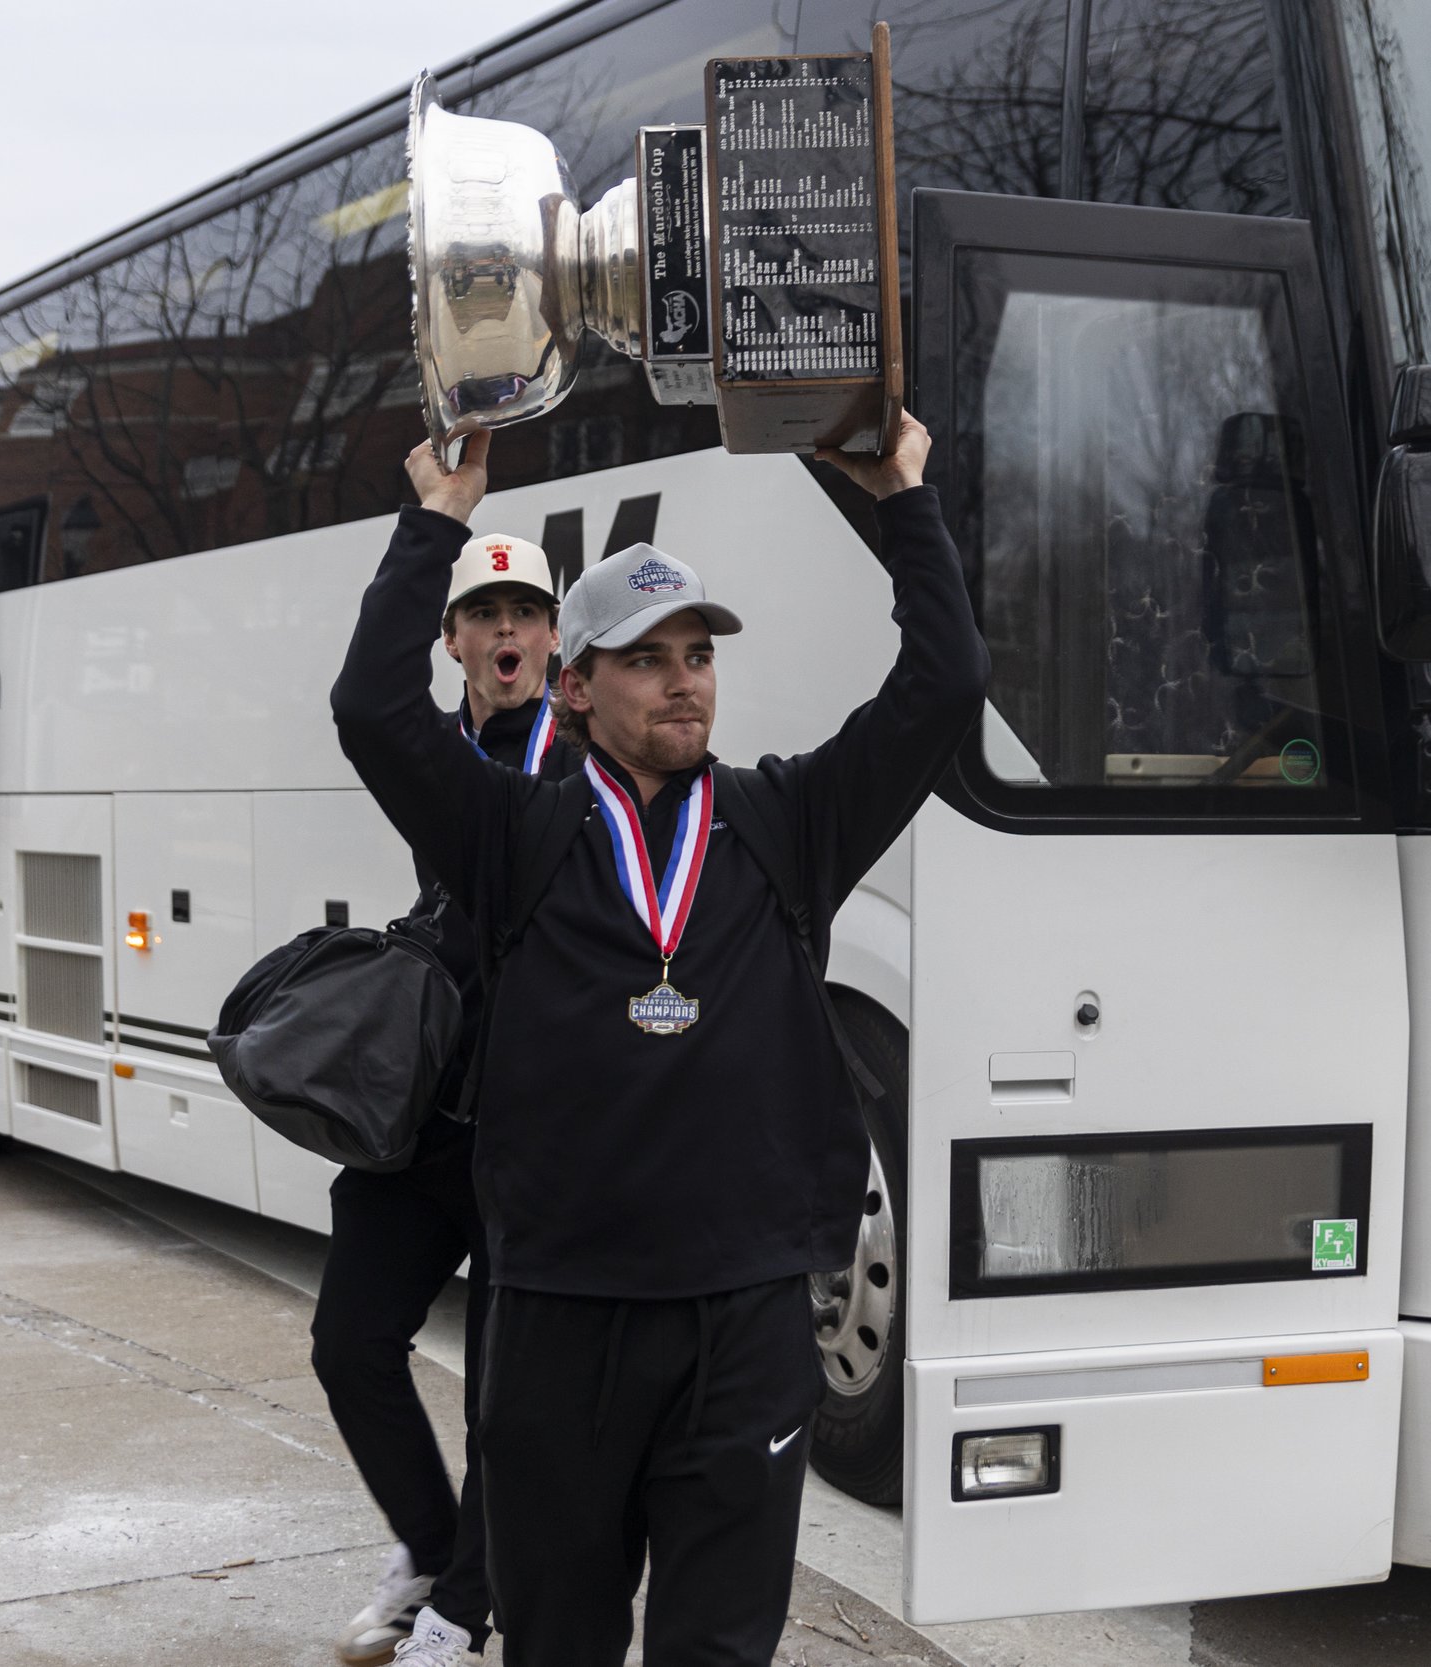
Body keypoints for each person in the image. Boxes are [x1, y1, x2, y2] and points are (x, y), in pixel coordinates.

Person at [332, 416, 986, 1667]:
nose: (683, 678)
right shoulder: (511, 834)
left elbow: (942, 686)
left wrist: (903, 496)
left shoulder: (786, 820)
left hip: (744, 1325)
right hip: (561, 1323)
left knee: (720, 1651)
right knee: (561, 1644)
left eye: (696, 653)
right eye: (643, 658)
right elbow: (370, 707)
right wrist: (438, 519)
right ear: (575, 686)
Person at [314, 529, 575, 1667]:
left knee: (501, 1396)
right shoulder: (433, 752)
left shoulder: (581, 760)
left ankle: (464, 1608)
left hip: (533, 1129)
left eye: (524, 614)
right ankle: (430, 1551)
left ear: (556, 639)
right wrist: (431, 524)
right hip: (423, 1116)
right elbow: (364, 701)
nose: (505, 632)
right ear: (452, 639)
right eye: (483, 614)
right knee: (348, 1338)